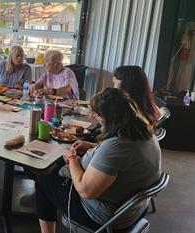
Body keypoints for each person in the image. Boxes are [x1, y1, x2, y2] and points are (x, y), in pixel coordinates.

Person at [35, 88, 161, 233]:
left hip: (106, 216)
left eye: (98, 115)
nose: (95, 118)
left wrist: (72, 158)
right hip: (132, 209)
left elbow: (85, 190)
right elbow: (121, 156)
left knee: (44, 179)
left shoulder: (116, 147)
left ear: (111, 118)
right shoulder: (144, 132)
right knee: (55, 170)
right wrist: (94, 146)